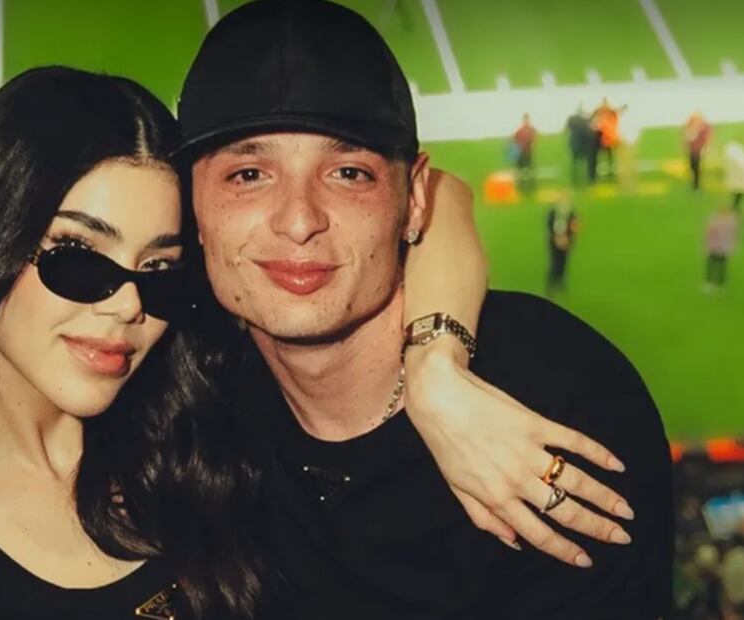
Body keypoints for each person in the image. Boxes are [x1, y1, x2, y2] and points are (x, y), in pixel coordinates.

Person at [0, 63, 617, 620]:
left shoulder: (190, 423)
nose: (128, 306)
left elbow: (437, 197)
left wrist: (435, 372)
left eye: (161, 272)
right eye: (79, 260)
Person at [177, 1, 672, 618]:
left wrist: (437, 369)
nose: (299, 220)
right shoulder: (185, 392)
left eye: (348, 173)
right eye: (249, 175)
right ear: (190, 206)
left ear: (412, 198)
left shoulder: (561, 402)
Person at [547, 195, 579, 295]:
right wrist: (557, 238)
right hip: (555, 241)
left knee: (563, 261)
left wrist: (568, 239)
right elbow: (549, 226)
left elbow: (574, 226)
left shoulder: (571, 213)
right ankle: (552, 283)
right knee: (555, 261)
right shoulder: (553, 213)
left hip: (566, 241)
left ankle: (560, 281)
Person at [589, 97, 626, 182]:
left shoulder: (605, 110)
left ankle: (609, 173)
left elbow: (617, 111)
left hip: (606, 139)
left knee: (608, 157)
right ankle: (608, 173)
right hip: (605, 139)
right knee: (609, 157)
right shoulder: (604, 110)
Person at [704, 206, 739, 292]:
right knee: (715, 265)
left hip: (719, 247)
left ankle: (716, 282)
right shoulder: (729, 221)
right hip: (717, 247)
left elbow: (710, 232)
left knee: (717, 265)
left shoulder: (726, 221)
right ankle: (714, 282)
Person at [685, 112, 712, 191]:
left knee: (696, 167)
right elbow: (687, 138)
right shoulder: (690, 126)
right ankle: (695, 182)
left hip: (698, 150)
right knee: (692, 167)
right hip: (692, 150)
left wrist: (705, 147)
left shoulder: (703, 128)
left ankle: (696, 185)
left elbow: (706, 138)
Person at [566, 106, 592, 185]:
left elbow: (568, 129)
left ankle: (574, 178)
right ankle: (584, 178)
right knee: (583, 162)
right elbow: (587, 131)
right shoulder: (584, 120)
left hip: (573, 143)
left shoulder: (571, 119)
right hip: (581, 143)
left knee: (574, 162)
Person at [512, 113, 537, 191]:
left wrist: (531, 146)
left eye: (527, 120)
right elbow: (514, 139)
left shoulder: (531, 130)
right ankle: (520, 187)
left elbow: (534, 140)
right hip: (520, 153)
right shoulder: (520, 130)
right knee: (520, 171)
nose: (526, 121)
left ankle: (531, 186)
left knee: (529, 170)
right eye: (525, 120)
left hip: (528, 153)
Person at [724, 141, 744, 215]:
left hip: (740, 180)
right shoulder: (738, 157)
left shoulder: (738, 157)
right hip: (740, 181)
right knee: (738, 192)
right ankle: (735, 206)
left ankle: (735, 206)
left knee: (738, 192)